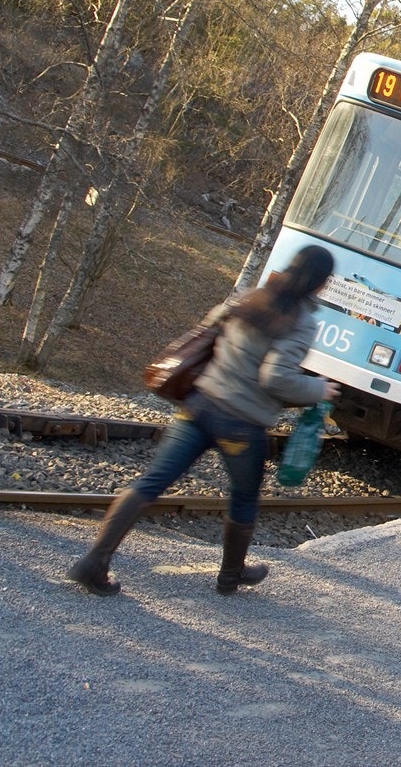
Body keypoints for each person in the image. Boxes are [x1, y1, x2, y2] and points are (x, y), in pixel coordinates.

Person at [68, 245, 341, 597]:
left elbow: (212, 322)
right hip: (240, 424)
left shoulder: (253, 297)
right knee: (244, 497)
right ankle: (230, 575)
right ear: (321, 283)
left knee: (151, 483)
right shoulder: (301, 322)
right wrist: (318, 388)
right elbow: (275, 377)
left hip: (200, 405)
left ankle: (94, 562)